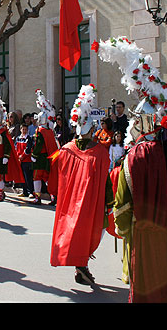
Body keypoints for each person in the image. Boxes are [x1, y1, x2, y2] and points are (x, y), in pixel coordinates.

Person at [96, 35, 167, 302]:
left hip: (146, 235)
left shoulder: (137, 154)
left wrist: (123, 228)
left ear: (146, 122)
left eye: (136, 120)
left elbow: (123, 204)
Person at [50, 84, 113, 286]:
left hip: (70, 202)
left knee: (75, 231)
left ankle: (81, 265)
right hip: (91, 204)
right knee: (94, 232)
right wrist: (110, 202)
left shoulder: (66, 149)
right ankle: (82, 265)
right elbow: (106, 181)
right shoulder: (100, 152)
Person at [30, 89, 59, 205]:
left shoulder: (41, 131)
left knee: (37, 177)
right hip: (48, 157)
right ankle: (53, 197)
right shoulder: (50, 131)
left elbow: (39, 144)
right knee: (47, 177)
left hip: (39, 158)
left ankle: (37, 198)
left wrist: (34, 155)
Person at [14, 123, 33, 197]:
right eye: (23, 129)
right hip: (20, 160)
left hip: (27, 160)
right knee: (22, 177)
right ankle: (24, 191)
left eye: (25, 129)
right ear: (20, 129)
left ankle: (31, 191)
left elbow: (28, 149)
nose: (24, 131)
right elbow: (15, 148)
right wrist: (17, 157)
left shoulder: (29, 138)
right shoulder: (18, 138)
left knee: (28, 177)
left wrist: (22, 156)